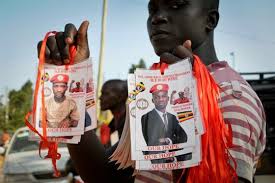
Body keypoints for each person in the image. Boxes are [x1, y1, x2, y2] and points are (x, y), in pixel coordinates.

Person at [37, 0, 266, 182]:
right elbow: (106, 176)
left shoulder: (230, 95)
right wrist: (72, 78)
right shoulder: (149, 96)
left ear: (210, 19)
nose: (157, 18)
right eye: (152, 9)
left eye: (176, 5)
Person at [99, 79, 128, 147]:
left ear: (121, 96)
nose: (100, 98)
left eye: (105, 93)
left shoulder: (129, 124)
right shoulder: (112, 125)